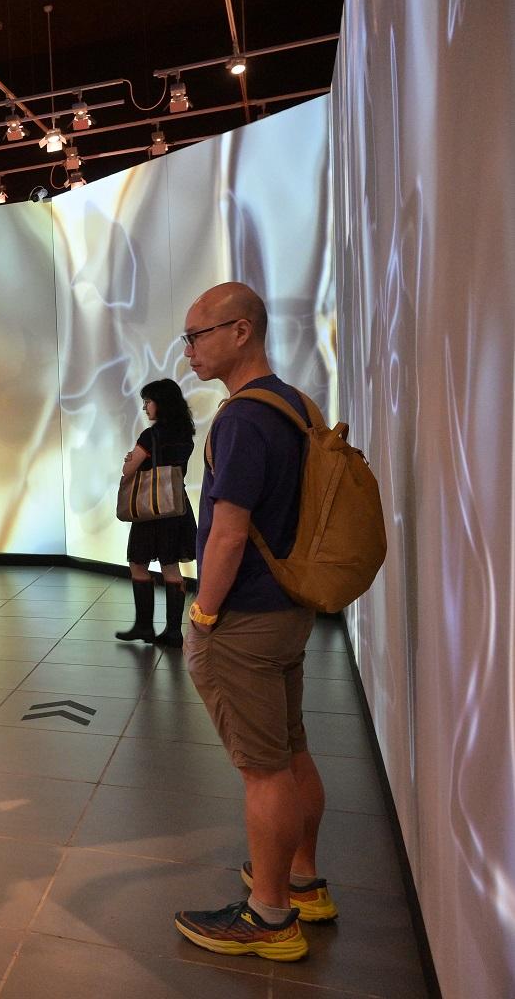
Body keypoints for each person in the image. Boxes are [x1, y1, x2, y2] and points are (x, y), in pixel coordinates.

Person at [172, 282, 332, 964]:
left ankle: (269, 918)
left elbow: (228, 536)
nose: (190, 352)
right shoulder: (298, 405)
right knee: (290, 750)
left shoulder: (240, 420)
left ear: (241, 331)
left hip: (247, 617)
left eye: (198, 335)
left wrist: (204, 613)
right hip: (290, 609)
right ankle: (301, 880)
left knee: (263, 770)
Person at [116, 379, 197, 646]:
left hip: (150, 510)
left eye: (148, 402)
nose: (145, 408)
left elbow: (129, 470)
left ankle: (143, 626)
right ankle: (173, 631)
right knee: (171, 567)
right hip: (175, 507)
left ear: (161, 403)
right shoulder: (186, 435)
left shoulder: (150, 436)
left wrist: (130, 459)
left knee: (138, 563)